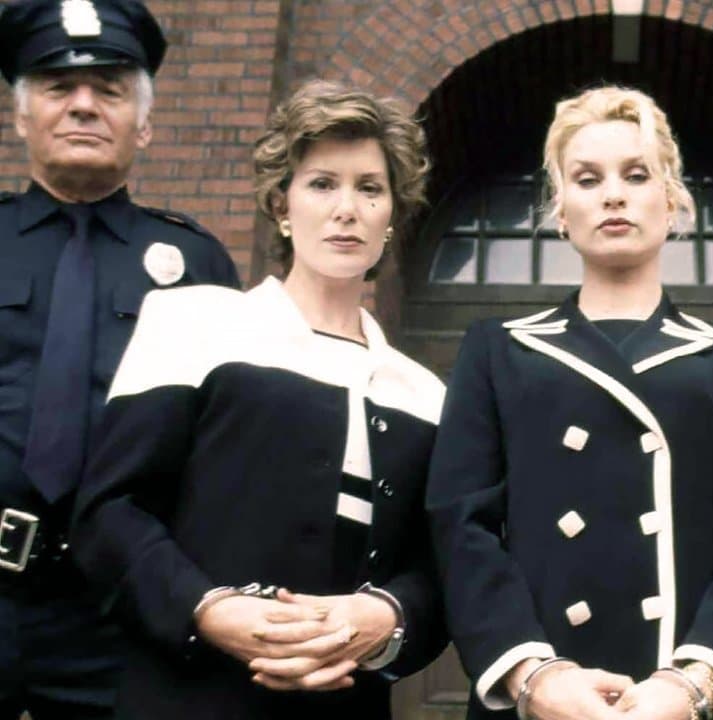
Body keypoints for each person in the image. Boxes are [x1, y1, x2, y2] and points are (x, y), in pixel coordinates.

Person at [69, 80, 448, 719]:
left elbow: (438, 569)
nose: (347, 209)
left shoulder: (426, 394)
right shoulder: (192, 323)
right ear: (281, 205)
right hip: (188, 699)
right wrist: (209, 609)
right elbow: (110, 512)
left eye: (370, 188)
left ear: (391, 216)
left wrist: (387, 615)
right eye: (321, 184)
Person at [426, 85, 713, 720]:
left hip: (691, 696)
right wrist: (533, 676)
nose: (613, 195)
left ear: (671, 201)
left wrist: (693, 684)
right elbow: (462, 527)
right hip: (539, 696)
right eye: (587, 178)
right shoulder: (497, 350)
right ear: (561, 210)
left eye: (636, 175)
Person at [0, 1, 239, 717]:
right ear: (20, 117)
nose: (83, 106)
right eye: (57, 88)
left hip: (121, 615)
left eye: (108, 90)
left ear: (144, 124)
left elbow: (222, 449)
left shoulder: (196, 262)